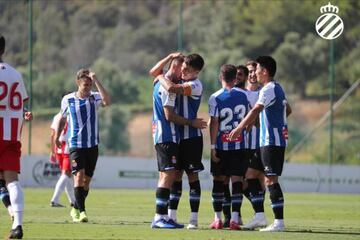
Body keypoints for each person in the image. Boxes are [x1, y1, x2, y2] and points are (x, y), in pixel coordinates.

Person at [229, 56, 292, 232]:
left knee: (270, 179)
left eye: (256, 69)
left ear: (264, 71)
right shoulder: (274, 88)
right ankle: (259, 217)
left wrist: (240, 127)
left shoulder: (269, 89)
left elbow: (256, 109)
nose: (254, 73)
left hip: (272, 142)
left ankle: (279, 222)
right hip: (264, 142)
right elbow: (284, 110)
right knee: (250, 175)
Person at [150, 54, 206, 229]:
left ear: (196, 71)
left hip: (188, 137)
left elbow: (172, 87)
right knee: (170, 176)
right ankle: (162, 217)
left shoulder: (194, 85)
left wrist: (158, 75)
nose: (183, 71)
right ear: (175, 67)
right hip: (170, 135)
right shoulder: (166, 83)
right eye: (181, 68)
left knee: (179, 175)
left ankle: (189, 219)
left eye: (186, 69)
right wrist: (160, 74)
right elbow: (169, 113)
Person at [56, 69, 110, 223]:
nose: (88, 87)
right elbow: (62, 118)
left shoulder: (95, 97)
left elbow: (107, 101)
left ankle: (75, 206)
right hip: (75, 144)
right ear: (78, 83)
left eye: (90, 84)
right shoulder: (68, 99)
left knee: (86, 181)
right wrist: (58, 137)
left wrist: (97, 80)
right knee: (78, 176)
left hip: (92, 145)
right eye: (85, 84)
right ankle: (82, 212)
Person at [208, 64, 250, 230]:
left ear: (220, 78)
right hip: (239, 145)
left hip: (221, 146)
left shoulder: (215, 97)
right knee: (237, 181)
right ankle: (234, 219)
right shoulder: (244, 95)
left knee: (218, 181)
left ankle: (217, 219)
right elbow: (251, 115)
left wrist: (212, 147)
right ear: (235, 79)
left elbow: (214, 123)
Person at [0, 35, 33, 239]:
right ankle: (17, 224)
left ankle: (13, 215)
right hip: (12, 134)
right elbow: (22, 104)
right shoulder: (15, 74)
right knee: (12, 181)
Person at [241, 60, 268, 230]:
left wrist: (260, 122)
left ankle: (259, 215)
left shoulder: (265, 92)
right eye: (248, 71)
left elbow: (286, 109)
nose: (251, 74)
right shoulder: (239, 93)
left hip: (260, 144)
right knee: (243, 182)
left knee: (260, 180)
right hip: (242, 145)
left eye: (253, 71)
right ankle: (258, 214)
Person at [222, 64, 249, 228]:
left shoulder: (245, 95)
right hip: (226, 145)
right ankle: (230, 217)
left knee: (239, 181)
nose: (238, 77)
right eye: (236, 74)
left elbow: (253, 115)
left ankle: (236, 216)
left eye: (241, 74)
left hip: (241, 145)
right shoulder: (222, 96)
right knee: (226, 180)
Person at [49, 110, 75, 208]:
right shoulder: (70, 114)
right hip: (67, 145)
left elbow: (52, 134)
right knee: (66, 173)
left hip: (58, 145)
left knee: (67, 175)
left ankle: (73, 201)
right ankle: (54, 200)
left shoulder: (56, 116)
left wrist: (52, 150)